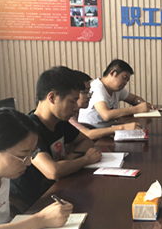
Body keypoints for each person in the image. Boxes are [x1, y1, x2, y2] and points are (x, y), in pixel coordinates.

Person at [10, 67, 102, 209]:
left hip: (54, 191)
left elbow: (86, 141)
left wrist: (70, 158)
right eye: (72, 101)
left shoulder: (59, 122)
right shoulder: (30, 129)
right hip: (31, 203)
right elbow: (52, 171)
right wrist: (86, 159)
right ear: (52, 97)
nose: (76, 108)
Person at [69, 69, 142, 140]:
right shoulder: (68, 113)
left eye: (89, 92)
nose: (90, 96)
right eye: (85, 92)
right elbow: (87, 134)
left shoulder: (75, 110)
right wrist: (122, 127)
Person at [78, 59, 154, 125]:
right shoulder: (97, 87)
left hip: (109, 128)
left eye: (127, 80)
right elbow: (106, 115)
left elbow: (134, 99)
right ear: (113, 73)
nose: (125, 83)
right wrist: (137, 109)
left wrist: (143, 105)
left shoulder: (116, 89)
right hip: (93, 131)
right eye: (124, 78)